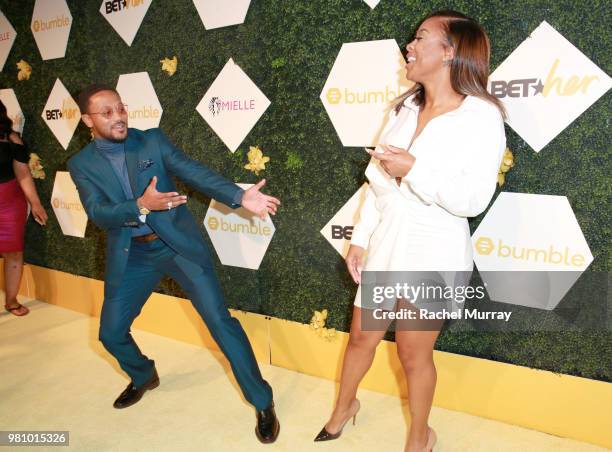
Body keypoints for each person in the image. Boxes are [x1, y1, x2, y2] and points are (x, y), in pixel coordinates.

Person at [315, 10, 506, 452]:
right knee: (362, 336)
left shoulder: (481, 116)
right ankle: (344, 408)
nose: (410, 45)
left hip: (434, 251)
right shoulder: (405, 107)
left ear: (450, 52)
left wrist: (414, 169)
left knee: (412, 354)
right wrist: (360, 237)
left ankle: (420, 436)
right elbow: (377, 183)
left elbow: (473, 200)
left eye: (421, 38)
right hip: (386, 242)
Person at [68, 84, 281, 443]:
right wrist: (141, 205)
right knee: (110, 333)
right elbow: (99, 213)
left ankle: (262, 401)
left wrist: (238, 195)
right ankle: (143, 376)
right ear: (88, 119)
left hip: (177, 247)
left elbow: (194, 171)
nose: (118, 116)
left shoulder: (151, 140)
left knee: (220, 322)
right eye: (106, 113)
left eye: (120, 108)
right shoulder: (81, 164)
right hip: (133, 255)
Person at [0, 100, 47, 316]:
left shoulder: (11, 139)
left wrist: (35, 203)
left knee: (14, 253)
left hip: (10, 204)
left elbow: (23, 174)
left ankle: (11, 301)